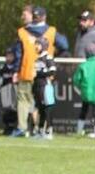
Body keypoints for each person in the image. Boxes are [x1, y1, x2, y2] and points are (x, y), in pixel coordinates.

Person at [12, 6, 67, 138]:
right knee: (41, 104)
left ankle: (22, 128)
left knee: (24, 101)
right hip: (44, 74)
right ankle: (39, 129)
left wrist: (16, 71)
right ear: (44, 17)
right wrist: (54, 53)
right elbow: (64, 45)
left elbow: (18, 54)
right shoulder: (51, 32)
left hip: (26, 71)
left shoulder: (22, 32)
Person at [0, 47, 18, 135]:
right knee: (6, 109)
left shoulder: (16, 68)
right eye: (7, 56)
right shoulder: (3, 68)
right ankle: (7, 127)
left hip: (13, 90)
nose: (8, 58)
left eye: (10, 56)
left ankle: (13, 127)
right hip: (5, 90)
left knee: (14, 109)